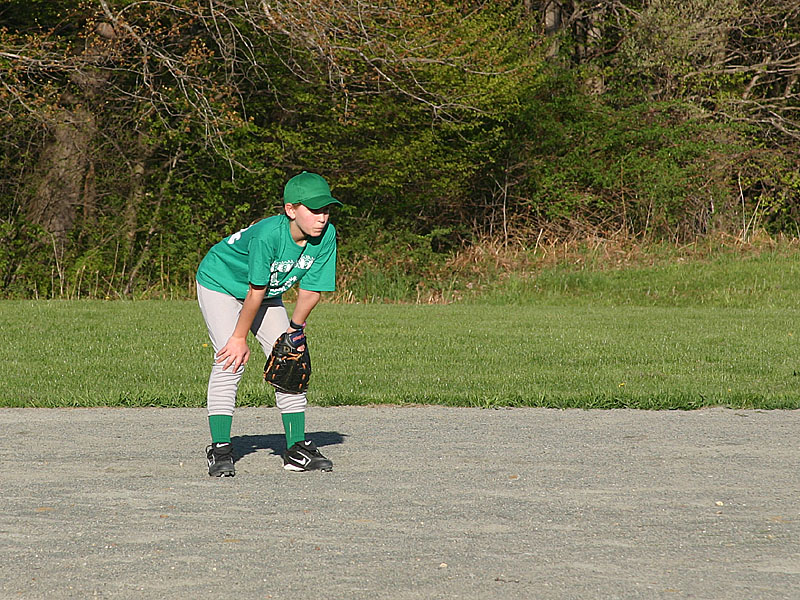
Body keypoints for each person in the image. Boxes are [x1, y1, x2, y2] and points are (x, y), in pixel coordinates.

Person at [195, 171, 340, 477]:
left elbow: (311, 290)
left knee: (291, 359)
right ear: (291, 210)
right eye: (314, 210)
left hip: (267, 292)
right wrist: (237, 338)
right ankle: (220, 448)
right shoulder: (268, 235)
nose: (322, 217)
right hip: (221, 283)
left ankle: (296, 449)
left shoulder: (326, 236)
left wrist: (294, 331)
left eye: (326, 209)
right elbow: (255, 291)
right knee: (229, 360)